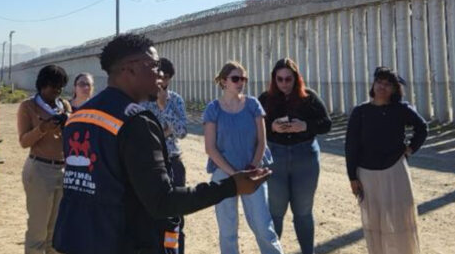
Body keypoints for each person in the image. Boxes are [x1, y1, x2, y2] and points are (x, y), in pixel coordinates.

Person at [53, 34, 272, 254]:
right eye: (155, 66)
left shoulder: (78, 118)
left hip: (76, 240)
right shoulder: (136, 122)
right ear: (130, 69)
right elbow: (162, 202)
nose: (160, 74)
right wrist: (232, 186)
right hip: (121, 243)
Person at [345, 66, 428, 254]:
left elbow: (422, 128)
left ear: (394, 89)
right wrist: (352, 177)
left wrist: (411, 147)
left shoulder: (400, 109)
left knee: (400, 218)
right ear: (373, 85)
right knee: (374, 221)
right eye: (379, 82)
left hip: (395, 170)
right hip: (366, 173)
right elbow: (351, 147)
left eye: (388, 84)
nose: (382, 87)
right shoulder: (360, 112)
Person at [204, 61, 283, 254]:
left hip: (253, 171)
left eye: (243, 78)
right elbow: (210, 148)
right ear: (224, 81)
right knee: (228, 231)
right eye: (236, 78)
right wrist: (234, 174)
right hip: (224, 174)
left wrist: (251, 168)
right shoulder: (213, 109)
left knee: (264, 227)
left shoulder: (253, 104)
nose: (241, 82)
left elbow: (262, 141)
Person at [258, 58, 331, 254]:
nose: (284, 84)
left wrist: (305, 126)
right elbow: (254, 127)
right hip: (275, 157)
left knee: (303, 213)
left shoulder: (309, 97)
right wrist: (271, 127)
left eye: (288, 79)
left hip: (305, 156)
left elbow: (326, 124)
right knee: (275, 212)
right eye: (279, 79)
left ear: (296, 78)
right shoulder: (265, 99)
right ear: (274, 80)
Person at [17, 65, 72, 254]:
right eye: (53, 86)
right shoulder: (28, 106)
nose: (56, 91)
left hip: (62, 169)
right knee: (38, 231)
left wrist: (68, 123)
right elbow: (24, 142)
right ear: (42, 85)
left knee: (55, 231)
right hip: (40, 168)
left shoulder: (64, 105)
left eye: (60, 87)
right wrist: (42, 129)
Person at [140, 57, 188, 253]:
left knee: (175, 215)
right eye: (157, 76)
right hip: (149, 164)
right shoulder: (142, 100)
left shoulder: (175, 100)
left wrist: (163, 107)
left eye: (165, 77)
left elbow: (182, 131)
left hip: (173, 161)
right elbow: (143, 132)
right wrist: (165, 131)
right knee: (149, 213)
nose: (160, 81)